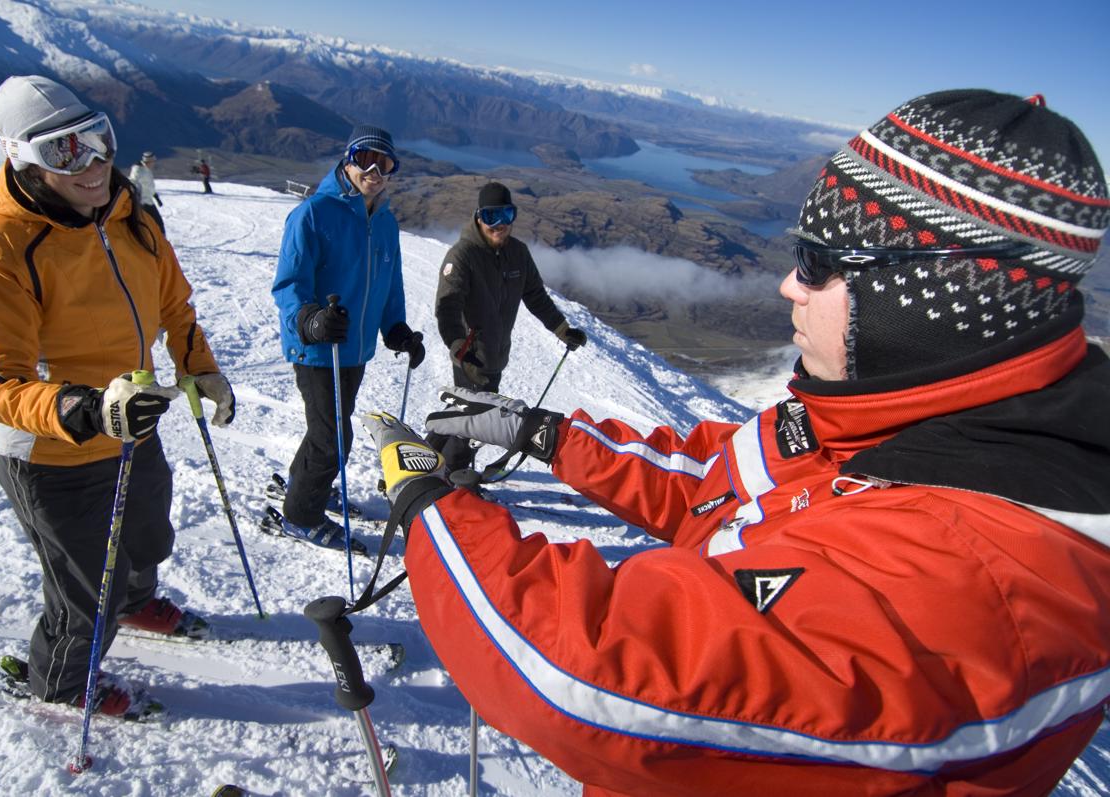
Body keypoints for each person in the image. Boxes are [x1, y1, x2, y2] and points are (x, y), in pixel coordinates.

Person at [362, 90, 1110, 795]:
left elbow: (585, 675)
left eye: (819, 263)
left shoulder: (977, 577)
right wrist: (543, 432)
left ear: (930, 303)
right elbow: (707, 474)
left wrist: (431, 504)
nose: (789, 284)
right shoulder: (881, 419)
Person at [0, 76, 236, 719]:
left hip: (132, 426)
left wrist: (201, 369)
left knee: (147, 538)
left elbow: (173, 303)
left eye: (98, 139)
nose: (94, 163)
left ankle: (137, 605)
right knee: (85, 593)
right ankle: (60, 682)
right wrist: (81, 409)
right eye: (66, 152)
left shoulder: (128, 213)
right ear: (23, 159)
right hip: (53, 457)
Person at [271, 124, 425, 549]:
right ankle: (301, 515)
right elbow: (288, 286)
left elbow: (389, 284)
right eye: (364, 159)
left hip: (355, 349)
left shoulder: (386, 223)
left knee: (328, 430)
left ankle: (308, 486)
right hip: (319, 346)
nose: (374, 170)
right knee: (333, 437)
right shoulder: (313, 214)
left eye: (385, 162)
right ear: (347, 159)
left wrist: (396, 330)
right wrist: (310, 320)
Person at [426, 181, 586, 477]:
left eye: (507, 216)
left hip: (495, 355)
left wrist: (562, 330)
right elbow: (447, 307)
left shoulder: (518, 253)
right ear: (478, 217)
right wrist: (458, 346)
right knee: (472, 426)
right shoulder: (463, 256)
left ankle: (419, 464)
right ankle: (452, 485)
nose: (499, 225)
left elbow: (536, 295)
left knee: (459, 416)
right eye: (491, 217)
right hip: (469, 358)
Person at [128, 151, 164, 234]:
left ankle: (160, 242)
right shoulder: (138, 169)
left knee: (157, 223)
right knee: (154, 223)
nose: (154, 163)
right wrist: (135, 196)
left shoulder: (148, 170)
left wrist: (156, 197)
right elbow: (133, 181)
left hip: (149, 201)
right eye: (153, 161)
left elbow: (149, 187)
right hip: (142, 202)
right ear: (148, 161)